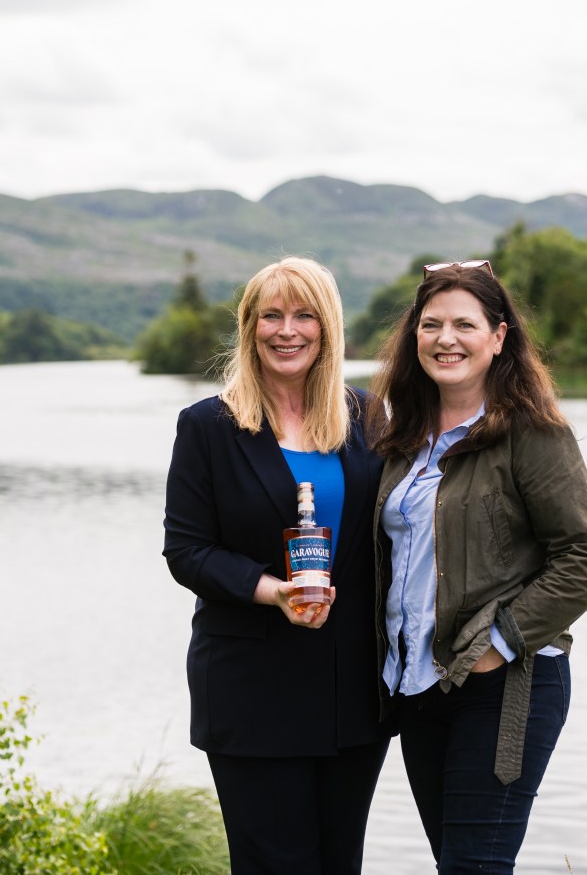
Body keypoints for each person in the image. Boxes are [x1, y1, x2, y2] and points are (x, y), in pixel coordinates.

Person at [366, 259, 587, 874]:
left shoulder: (532, 432)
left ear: (499, 337)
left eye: (464, 325)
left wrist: (497, 643)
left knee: (474, 866)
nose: (445, 339)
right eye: (431, 325)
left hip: (504, 683)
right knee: (456, 862)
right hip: (418, 686)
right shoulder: (403, 438)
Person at [163, 257, 392, 874]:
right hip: (251, 689)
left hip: (353, 691)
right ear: (249, 327)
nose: (287, 331)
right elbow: (186, 551)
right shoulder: (207, 427)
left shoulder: (369, 418)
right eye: (271, 316)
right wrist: (272, 591)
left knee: (340, 863)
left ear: (328, 327)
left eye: (304, 315)